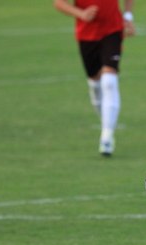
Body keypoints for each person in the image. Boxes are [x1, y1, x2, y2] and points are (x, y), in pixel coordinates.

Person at [54, 0, 136, 156]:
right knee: (95, 85)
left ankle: (106, 136)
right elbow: (59, 3)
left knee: (109, 82)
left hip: (113, 30)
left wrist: (128, 16)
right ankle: (106, 123)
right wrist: (81, 14)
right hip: (86, 34)